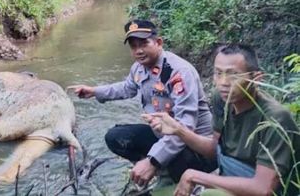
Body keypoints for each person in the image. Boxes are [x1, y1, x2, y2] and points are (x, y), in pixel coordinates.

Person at [69, 20, 216, 190]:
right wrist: (95, 91)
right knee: (116, 137)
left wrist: (152, 161)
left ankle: (171, 175)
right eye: (133, 46)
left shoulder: (178, 72)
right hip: (163, 136)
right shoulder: (138, 68)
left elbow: (186, 126)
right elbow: (127, 88)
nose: (138, 51)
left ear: (158, 43)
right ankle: (160, 169)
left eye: (144, 44)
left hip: (195, 147)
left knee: (169, 159)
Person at [144, 43, 300, 196]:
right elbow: (214, 150)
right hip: (232, 176)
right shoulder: (222, 99)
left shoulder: (275, 117)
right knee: (160, 193)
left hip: (270, 189)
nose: (223, 82)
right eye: (218, 73)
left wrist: (194, 176)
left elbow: (263, 188)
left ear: (257, 78)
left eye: (233, 75)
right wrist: (178, 130)